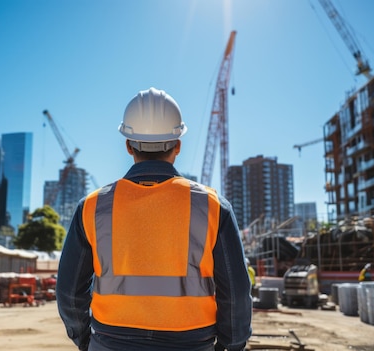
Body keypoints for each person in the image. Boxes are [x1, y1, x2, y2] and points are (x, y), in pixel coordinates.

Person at [56, 87, 252, 351]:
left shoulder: (93, 207)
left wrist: (86, 341)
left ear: (128, 145)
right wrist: (230, 346)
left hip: (110, 342)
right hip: (192, 344)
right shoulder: (212, 206)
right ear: (178, 145)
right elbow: (236, 296)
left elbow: (68, 293)